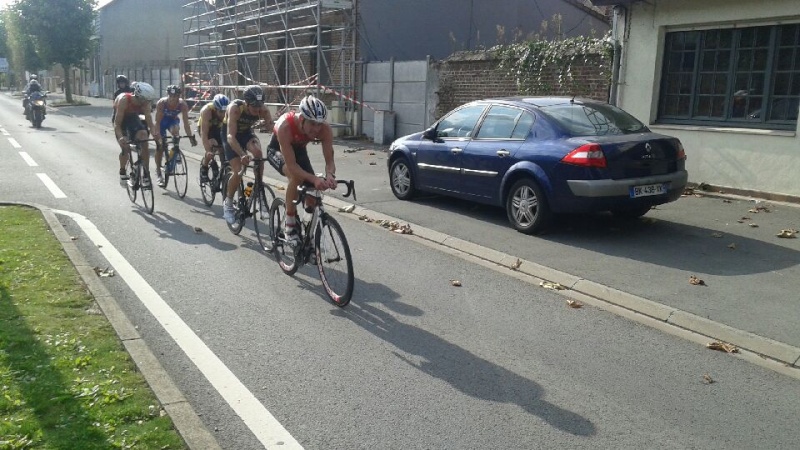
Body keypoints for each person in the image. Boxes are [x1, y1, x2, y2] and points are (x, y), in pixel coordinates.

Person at [266, 94, 336, 244]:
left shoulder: (324, 129)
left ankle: (306, 230)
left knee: (312, 193)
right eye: (312, 123)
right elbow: (292, 166)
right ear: (302, 119)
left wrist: (330, 175)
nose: (316, 129)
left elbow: (329, 160)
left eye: (319, 123)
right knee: (296, 177)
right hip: (277, 150)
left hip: (299, 150)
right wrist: (315, 178)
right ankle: (290, 223)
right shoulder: (286, 126)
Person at [221, 85, 273, 224]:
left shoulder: (263, 110)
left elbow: (273, 130)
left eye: (259, 107)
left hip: (246, 133)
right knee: (238, 171)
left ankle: (259, 190)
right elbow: (231, 136)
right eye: (254, 107)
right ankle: (228, 202)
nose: (257, 111)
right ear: (247, 103)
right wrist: (242, 154)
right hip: (231, 135)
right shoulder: (235, 108)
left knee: (258, 153)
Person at [114, 81, 158, 186]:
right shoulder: (124, 100)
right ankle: (122, 171)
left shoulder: (145, 103)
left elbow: (149, 121)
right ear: (138, 96)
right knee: (125, 147)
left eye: (149, 101)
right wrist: (121, 138)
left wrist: (155, 133)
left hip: (133, 117)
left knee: (144, 139)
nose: (147, 103)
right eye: (145, 100)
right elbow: (117, 124)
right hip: (121, 119)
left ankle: (146, 174)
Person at [153, 85, 197, 187]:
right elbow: (158, 123)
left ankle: (175, 151)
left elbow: (186, 124)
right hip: (162, 122)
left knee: (176, 132)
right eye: (171, 96)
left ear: (178, 96)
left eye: (175, 96)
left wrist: (190, 137)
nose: (173, 98)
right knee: (159, 147)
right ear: (167, 95)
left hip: (172, 121)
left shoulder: (182, 105)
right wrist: (159, 137)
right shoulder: (162, 103)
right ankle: (158, 171)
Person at [198, 93, 229, 183]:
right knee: (213, 143)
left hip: (218, 127)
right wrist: (208, 151)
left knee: (224, 147)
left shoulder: (229, 110)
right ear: (215, 109)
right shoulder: (207, 111)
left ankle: (224, 168)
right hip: (207, 128)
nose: (223, 115)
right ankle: (204, 167)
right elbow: (204, 133)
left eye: (225, 112)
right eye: (220, 112)